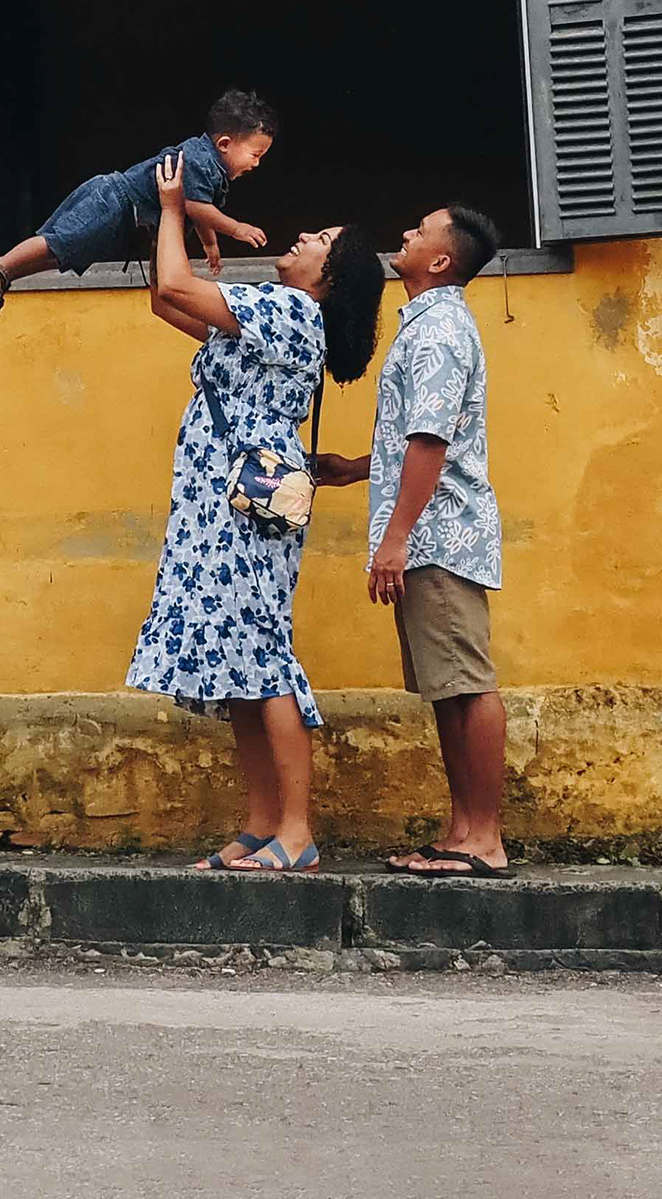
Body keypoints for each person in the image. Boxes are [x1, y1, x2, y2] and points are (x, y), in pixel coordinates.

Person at [123, 147, 384, 871]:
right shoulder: (274, 318)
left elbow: (177, 283)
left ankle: (296, 833)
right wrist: (154, 221)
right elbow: (164, 297)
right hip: (223, 504)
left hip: (243, 507)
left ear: (329, 278)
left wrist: (177, 208)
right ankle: (261, 823)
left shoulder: (293, 310)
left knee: (263, 656)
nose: (303, 239)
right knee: (238, 660)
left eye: (322, 242)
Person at [316, 201, 510, 875]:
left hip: (438, 539)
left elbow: (431, 440)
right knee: (447, 691)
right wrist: (356, 470)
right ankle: (461, 834)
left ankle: (483, 839)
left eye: (420, 231)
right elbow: (423, 438)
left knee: (468, 687)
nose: (404, 232)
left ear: (440, 260)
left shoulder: (436, 333)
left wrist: (394, 540)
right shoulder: (432, 327)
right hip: (431, 534)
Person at [0, 88, 277, 315]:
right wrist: (236, 229)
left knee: (64, 255)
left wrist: (210, 245)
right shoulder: (199, 161)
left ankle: (6, 275)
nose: (257, 164)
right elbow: (196, 207)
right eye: (256, 155)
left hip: (124, 216)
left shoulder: (212, 170)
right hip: (113, 201)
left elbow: (200, 208)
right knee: (58, 243)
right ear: (224, 144)